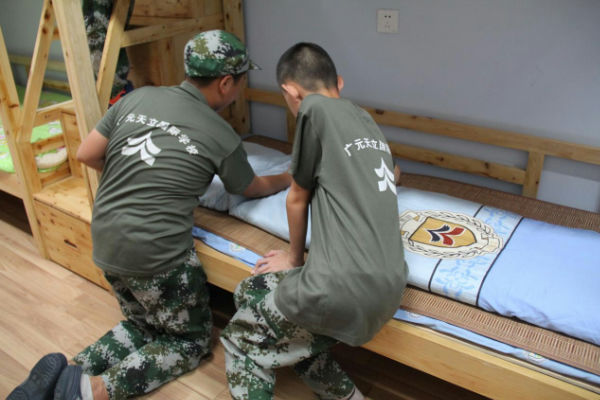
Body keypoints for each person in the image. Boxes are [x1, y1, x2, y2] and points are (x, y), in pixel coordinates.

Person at [7, 30, 291, 400]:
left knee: (142, 324)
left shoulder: (138, 97)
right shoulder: (220, 134)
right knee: (189, 343)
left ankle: (65, 374)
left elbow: (86, 154)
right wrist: (289, 177)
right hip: (157, 255)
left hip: (105, 238)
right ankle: (90, 391)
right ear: (225, 83)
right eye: (239, 83)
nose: (238, 91)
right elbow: (249, 187)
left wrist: (136, 178)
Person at [220, 42, 408, 400]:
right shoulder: (365, 121)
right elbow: (394, 173)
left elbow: (297, 196)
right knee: (250, 292)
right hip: (390, 285)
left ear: (291, 92)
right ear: (339, 82)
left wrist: (293, 258)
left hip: (339, 287)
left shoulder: (313, 110)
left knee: (239, 343)